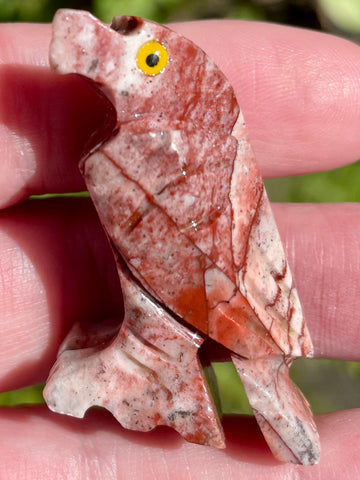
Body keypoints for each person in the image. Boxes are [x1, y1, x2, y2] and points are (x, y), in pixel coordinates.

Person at [0, 18, 359, 479]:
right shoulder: (132, 152)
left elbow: (184, 275)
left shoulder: (145, 156)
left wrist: (259, 351)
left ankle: (166, 378)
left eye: (150, 58)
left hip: (226, 317)